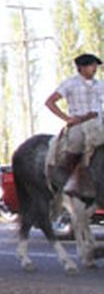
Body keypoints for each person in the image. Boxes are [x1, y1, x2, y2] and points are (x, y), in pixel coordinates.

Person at [45, 53, 104, 198]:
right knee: (75, 144)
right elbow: (50, 102)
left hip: (98, 121)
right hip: (79, 123)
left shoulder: (101, 85)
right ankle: (70, 180)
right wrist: (67, 118)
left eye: (95, 65)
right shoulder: (70, 84)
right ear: (80, 68)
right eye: (91, 65)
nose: (94, 68)